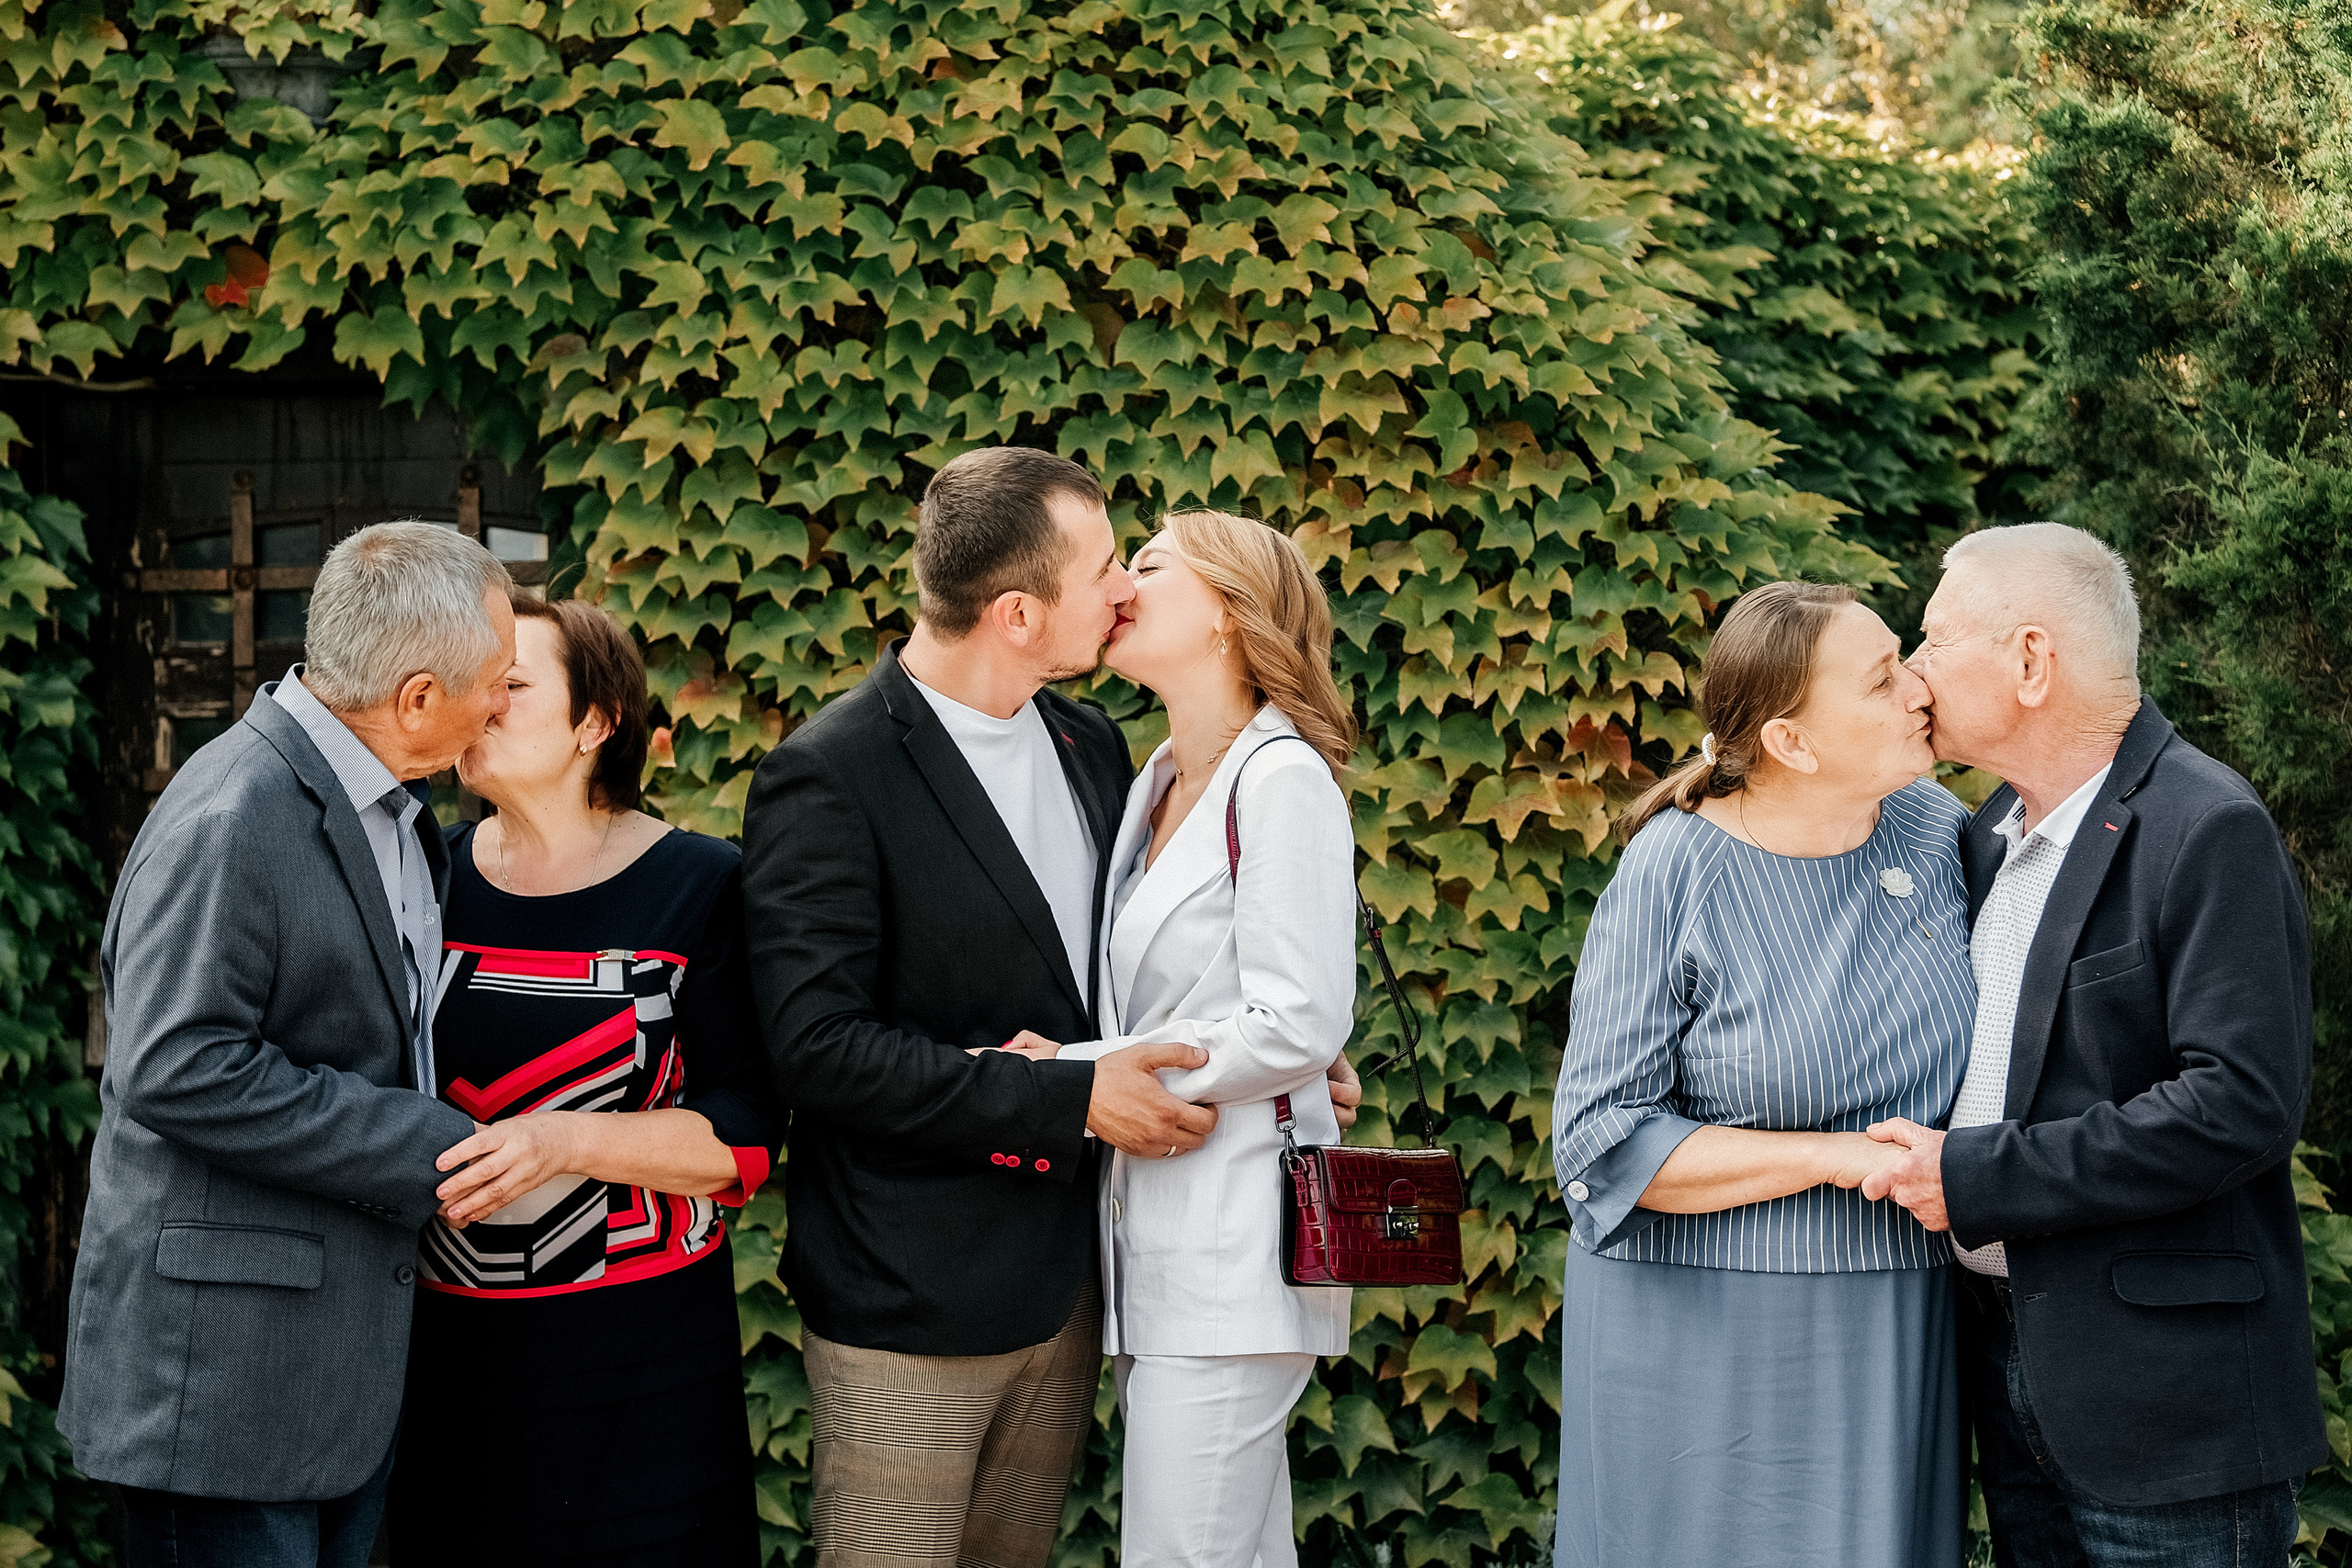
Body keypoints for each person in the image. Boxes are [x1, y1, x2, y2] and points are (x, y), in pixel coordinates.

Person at [740, 446, 1226, 1568]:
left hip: (1067, 1285)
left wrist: (1261, 1061)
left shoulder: (1094, 744)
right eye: (1105, 566)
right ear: (1016, 611)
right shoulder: (831, 772)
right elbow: (816, 1050)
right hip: (907, 1296)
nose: (1126, 590)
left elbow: (1137, 980)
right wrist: (1061, 1099)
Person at [1864, 523, 2322, 1567]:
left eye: (1933, 639)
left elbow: (2237, 1106)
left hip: (2168, 1405)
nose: (1915, 669)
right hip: (2008, 1372)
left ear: (2031, 660)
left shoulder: (2206, 826)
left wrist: (1978, 1176)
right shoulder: (1980, 836)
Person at [59, 522, 514, 1568]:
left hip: (323, 1382)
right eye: (493, 681)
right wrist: (425, 1145)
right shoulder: (234, 813)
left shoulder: (395, 814)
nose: (500, 702)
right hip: (220, 1392)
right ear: (414, 697)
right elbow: (175, 1065)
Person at [1549, 581, 1972, 1568]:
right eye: (1879, 681)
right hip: (1691, 1334)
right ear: (1790, 742)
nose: (1918, 689)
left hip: (1894, 1318)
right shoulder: (1672, 870)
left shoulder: (1939, 832)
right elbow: (1599, 1139)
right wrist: (1831, 1157)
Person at [990, 511, 1359, 1568]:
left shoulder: (1279, 777)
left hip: (1235, 1251)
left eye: (1146, 566)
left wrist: (1071, 1069)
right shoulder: (1151, 780)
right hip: (1154, 1247)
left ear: (1227, 619)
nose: (1117, 586)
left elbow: (1297, 1017)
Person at [386, 596, 784, 1565]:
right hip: (444, 1367)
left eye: (513, 686)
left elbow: (745, 1126)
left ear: (596, 723)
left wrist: (557, 1140)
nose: (482, 705)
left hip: (640, 1377)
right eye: (480, 684)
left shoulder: (699, 883)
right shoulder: (417, 876)